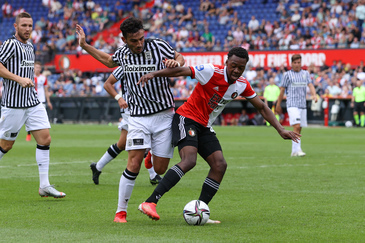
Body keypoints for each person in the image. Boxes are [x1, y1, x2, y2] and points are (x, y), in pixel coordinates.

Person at [137, 47, 300, 223]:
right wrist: (154, 74)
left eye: (241, 67)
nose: (236, 70)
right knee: (189, 160)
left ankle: (200, 210)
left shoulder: (242, 84)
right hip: (187, 118)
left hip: (205, 125)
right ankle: (150, 202)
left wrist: (280, 129)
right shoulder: (210, 71)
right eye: (233, 66)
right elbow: (180, 70)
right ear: (226, 63)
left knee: (219, 165)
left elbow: (261, 106)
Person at [76, 17, 184, 223]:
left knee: (160, 169)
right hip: (137, 117)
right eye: (134, 40)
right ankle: (120, 212)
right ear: (124, 39)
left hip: (164, 115)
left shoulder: (158, 45)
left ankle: (150, 155)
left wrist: (175, 62)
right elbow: (108, 61)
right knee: (133, 163)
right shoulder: (124, 54)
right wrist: (85, 45)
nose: (139, 43)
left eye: (141, 38)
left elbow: (179, 58)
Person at [0, 12, 65, 198]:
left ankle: (44, 185)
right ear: (15, 26)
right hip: (14, 104)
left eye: (30, 25)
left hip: (33, 102)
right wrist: (18, 78)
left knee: (45, 139)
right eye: (24, 26)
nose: (27, 29)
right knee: (5, 145)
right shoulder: (10, 44)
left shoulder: (30, 46)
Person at [90, 67, 162, 185]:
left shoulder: (147, 63)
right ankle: (153, 175)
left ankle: (97, 167)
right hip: (131, 108)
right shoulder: (125, 65)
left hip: (144, 107)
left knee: (122, 144)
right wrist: (119, 98)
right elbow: (108, 83)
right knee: (142, 141)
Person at [276, 54, 317, 157]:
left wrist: (314, 95)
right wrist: (278, 104)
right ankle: (297, 150)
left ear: (301, 63)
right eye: (295, 63)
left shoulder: (306, 74)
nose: (297, 65)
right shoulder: (287, 75)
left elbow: (310, 85)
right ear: (291, 63)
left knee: (299, 128)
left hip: (302, 104)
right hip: (292, 104)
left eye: (298, 62)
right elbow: (282, 90)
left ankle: (294, 151)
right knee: (297, 126)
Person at [26, 61, 53, 141]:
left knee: (42, 118)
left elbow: (46, 90)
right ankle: (28, 134)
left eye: (39, 68)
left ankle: (43, 135)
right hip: (31, 100)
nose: (38, 69)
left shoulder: (43, 78)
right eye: (36, 67)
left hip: (41, 100)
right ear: (33, 68)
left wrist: (48, 101)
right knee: (29, 118)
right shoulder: (29, 77)